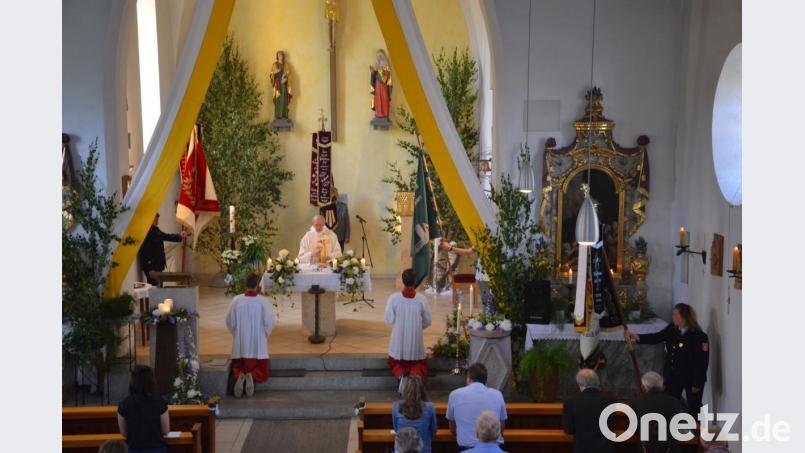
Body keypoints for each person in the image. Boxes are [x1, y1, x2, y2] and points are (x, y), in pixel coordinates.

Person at [626, 302, 710, 416]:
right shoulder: (672, 329)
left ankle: (698, 431)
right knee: (670, 404)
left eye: (675, 315)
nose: (673, 317)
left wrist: (697, 382)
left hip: (691, 378)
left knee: (695, 407)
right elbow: (658, 336)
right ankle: (670, 429)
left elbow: (702, 362)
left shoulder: (699, 336)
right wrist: (637, 337)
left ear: (684, 317)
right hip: (673, 376)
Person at [226, 273, 275, 398]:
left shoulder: (236, 300)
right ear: (258, 285)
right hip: (258, 343)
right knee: (262, 370)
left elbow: (229, 321)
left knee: (237, 366)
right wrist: (264, 334)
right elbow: (270, 321)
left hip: (241, 341)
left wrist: (236, 333)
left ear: (245, 284)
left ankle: (240, 375)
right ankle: (252, 376)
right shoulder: (263, 301)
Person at [385, 269, 432, 387]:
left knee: (395, 362)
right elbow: (427, 321)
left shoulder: (394, 298)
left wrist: (400, 324)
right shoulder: (422, 299)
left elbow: (388, 319)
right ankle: (413, 379)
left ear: (403, 281)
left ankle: (401, 376)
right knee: (417, 364)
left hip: (399, 340)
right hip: (415, 340)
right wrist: (416, 326)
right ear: (415, 281)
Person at [446, 363, 507, 450]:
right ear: (486, 380)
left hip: (466, 447)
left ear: (469, 379)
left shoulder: (455, 395)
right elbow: (501, 427)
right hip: (494, 446)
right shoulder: (498, 394)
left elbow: (452, 428)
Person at [630, 372, 688, 453]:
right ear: (661, 386)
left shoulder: (636, 403)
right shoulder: (675, 402)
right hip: (670, 448)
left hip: (645, 449)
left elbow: (634, 430)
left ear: (643, 387)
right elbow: (682, 428)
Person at [561, 369, 617, 453]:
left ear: (579, 383)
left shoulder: (570, 402)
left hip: (582, 449)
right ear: (597, 382)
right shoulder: (610, 401)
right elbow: (611, 425)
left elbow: (569, 430)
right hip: (606, 448)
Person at [117, 366, 169, 453]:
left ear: (133, 382)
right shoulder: (160, 402)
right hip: (157, 449)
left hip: (133, 449)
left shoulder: (124, 404)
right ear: (151, 381)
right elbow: (165, 430)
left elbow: (124, 433)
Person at [137, 213, 187, 286]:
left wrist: (179, 236)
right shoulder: (148, 232)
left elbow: (164, 235)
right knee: (154, 286)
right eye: (156, 220)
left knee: (159, 285)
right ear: (150, 220)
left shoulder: (154, 229)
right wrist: (179, 236)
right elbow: (146, 250)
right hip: (152, 266)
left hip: (156, 265)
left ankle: (158, 296)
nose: (158, 222)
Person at [392, 375, 437, 453]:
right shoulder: (430, 407)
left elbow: (396, 429)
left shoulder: (396, 406)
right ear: (422, 389)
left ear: (405, 389)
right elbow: (433, 430)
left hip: (402, 450)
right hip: (423, 449)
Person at [320, 187, 350, 252]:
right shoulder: (324, 207)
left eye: (334, 192)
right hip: (328, 237)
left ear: (337, 194)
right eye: (331, 193)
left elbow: (347, 222)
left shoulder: (343, 206)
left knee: (339, 257)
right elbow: (321, 223)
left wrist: (347, 236)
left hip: (340, 236)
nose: (333, 194)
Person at [269, 50, 292, 120]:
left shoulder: (286, 64)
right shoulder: (274, 64)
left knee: (284, 99)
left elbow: (289, 74)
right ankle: (278, 115)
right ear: (277, 56)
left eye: (281, 55)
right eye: (279, 55)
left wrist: (286, 79)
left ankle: (284, 115)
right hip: (278, 85)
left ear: (283, 56)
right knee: (278, 99)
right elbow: (271, 75)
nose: (280, 56)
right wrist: (275, 72)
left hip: (284, 85)